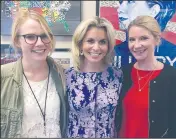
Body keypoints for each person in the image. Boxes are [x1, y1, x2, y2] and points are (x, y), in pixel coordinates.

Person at [1, 8, 67, 138]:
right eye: (30, 37)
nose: (39, 43)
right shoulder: (3, 77)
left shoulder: (62, 75)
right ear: (16, 41)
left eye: (44, 36)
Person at [115, 15, 176, 138]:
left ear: (157, 39)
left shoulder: (175, 78)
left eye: (143, 38)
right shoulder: (122, 74)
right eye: (132, 39)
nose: (136, 45)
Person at [65, 16, 123, 138]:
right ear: (80, 44)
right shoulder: (67, 77)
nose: (96, 47)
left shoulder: (118, 76)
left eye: (102, 42)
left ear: (108, 46)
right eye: (90, 41)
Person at [114, 0, 176, 69]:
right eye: (132, 39)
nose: (119, 9)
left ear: (153, 11)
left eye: (130, 1)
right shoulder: (114, 57)